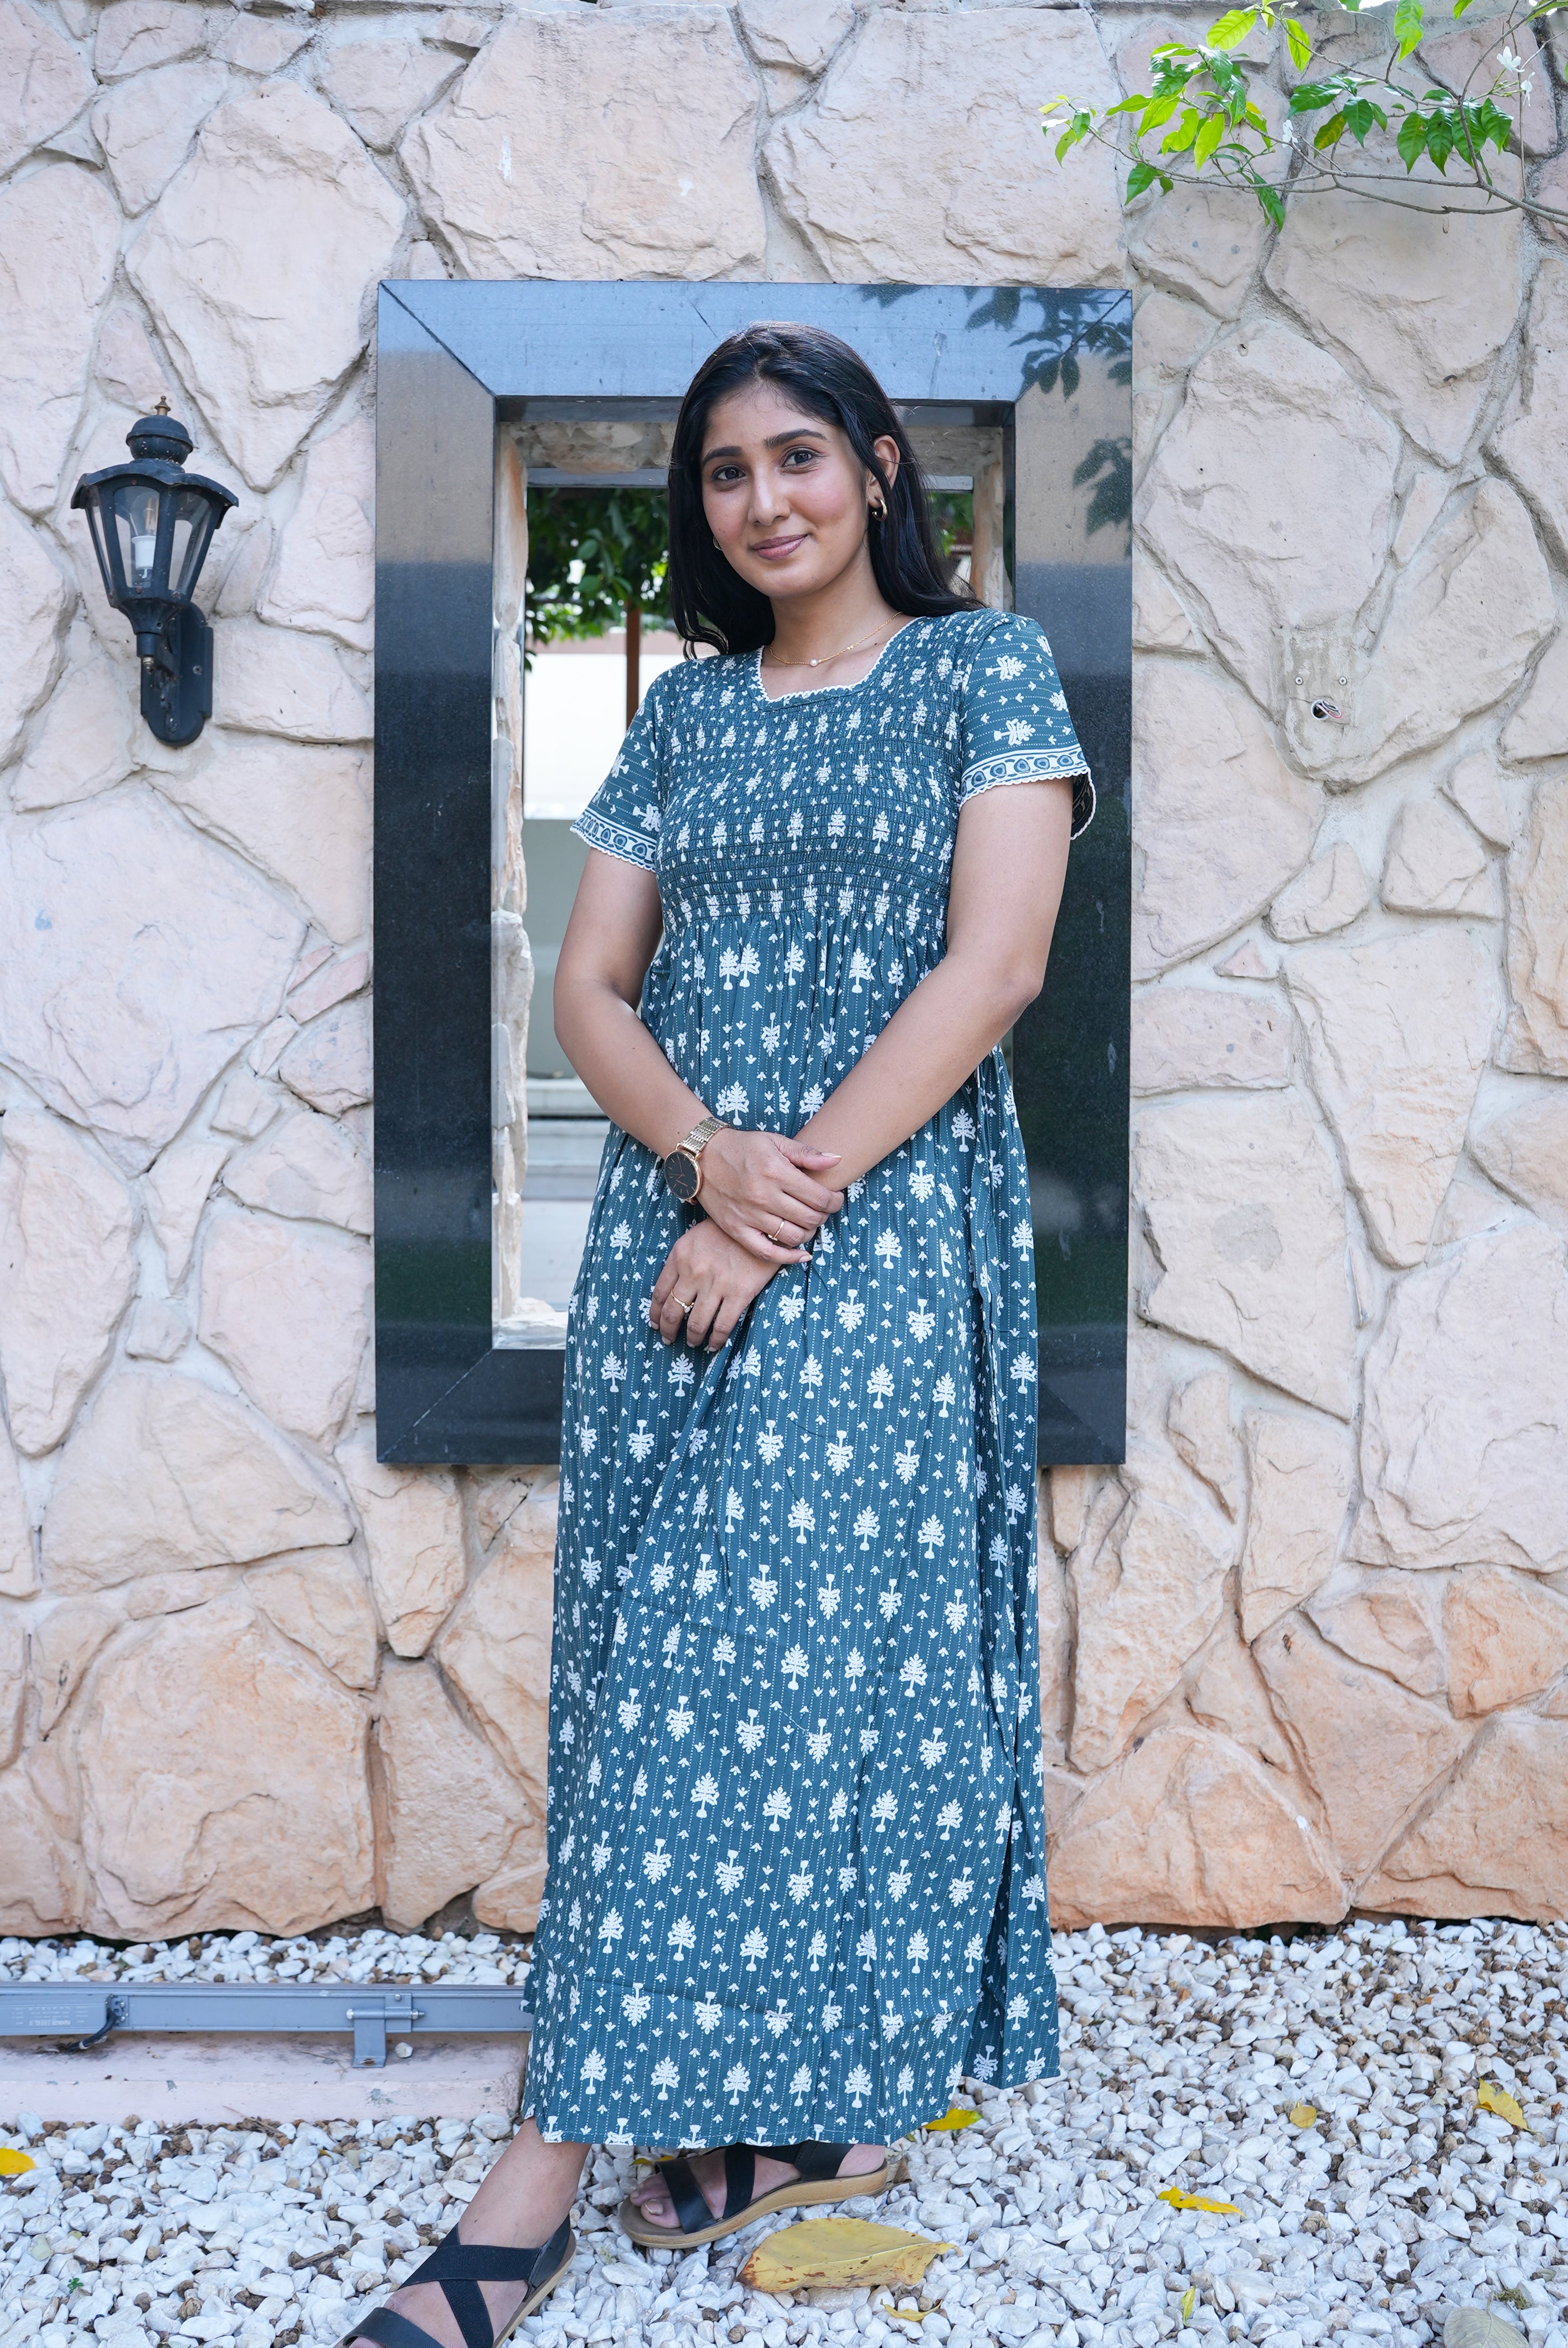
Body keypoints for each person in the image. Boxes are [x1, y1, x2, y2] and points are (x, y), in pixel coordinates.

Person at [341, 321, 1094, 2348]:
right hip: (673, 1235)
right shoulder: (681, 714)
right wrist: (701, 1161)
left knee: (788, 1675)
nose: (766, 501)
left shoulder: (984, 671)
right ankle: (797, 2120)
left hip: (873, 1235)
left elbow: (997, 965)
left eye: (799, 457)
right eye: (727, 472)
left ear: (877, 467)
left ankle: (538, 2180)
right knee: (653, 1673)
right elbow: (589, 985)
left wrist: (786, 1200)